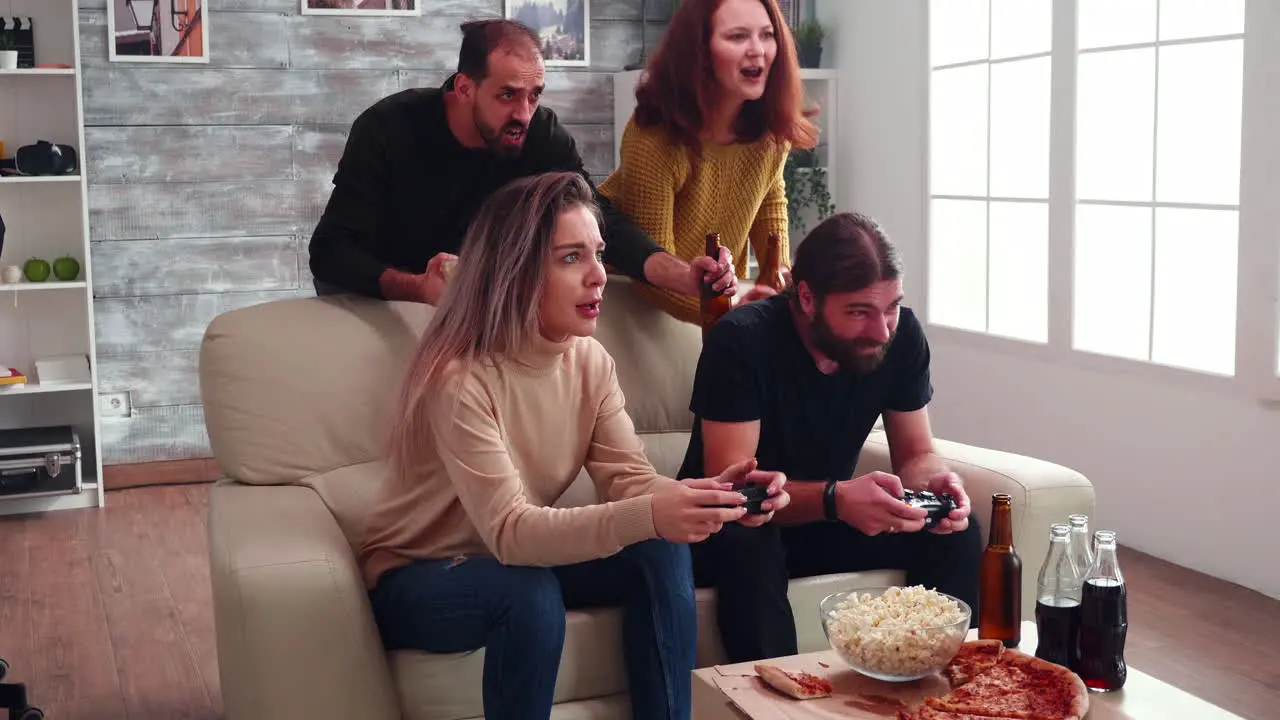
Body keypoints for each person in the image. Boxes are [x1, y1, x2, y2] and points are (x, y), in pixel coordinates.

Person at [357, 171, 789, 720]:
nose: (599, 277)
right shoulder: (461, 380)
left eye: (599, 254)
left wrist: (712, 497)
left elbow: (630, 481)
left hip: (514, 560)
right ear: (513, 273)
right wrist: (651, 512)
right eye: (570, 258)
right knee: (527, 593)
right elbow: (513, 534)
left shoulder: (589, 361)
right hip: (419, 575)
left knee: (658, 546)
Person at [678, 211, 982, 664]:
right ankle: (777, 708)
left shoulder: (901, 338)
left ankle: (948, 691)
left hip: (823, 522)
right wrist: (836, 498)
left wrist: (936, 482)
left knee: (953, 532)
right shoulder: (742, 341)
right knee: (750, 540)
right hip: (729, 531)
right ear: (806, 297)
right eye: (859, 312)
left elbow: (916, 453)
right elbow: (734, 491)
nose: (881, 330)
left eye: (892, 307)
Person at [307, 18, 737, 307]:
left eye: (535, 95)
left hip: (469, 303)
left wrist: (681, 275)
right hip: (379, 292)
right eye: (508, 94)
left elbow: (599, 216)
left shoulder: (540, 135)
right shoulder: (388, 127)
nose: (523, 114)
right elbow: (330, 253)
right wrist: (417, 288)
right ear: (464, 88)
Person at [598, 0, 819, 325]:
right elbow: (653, 271)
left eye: (768, 35)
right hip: (630, 304)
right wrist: (733, 309)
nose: (758, 50)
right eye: (738, 37)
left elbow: (769, 200)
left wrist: (779, 278)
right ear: (699, 52)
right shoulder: (655, 135)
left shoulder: (771, 127)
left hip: (716, 305)